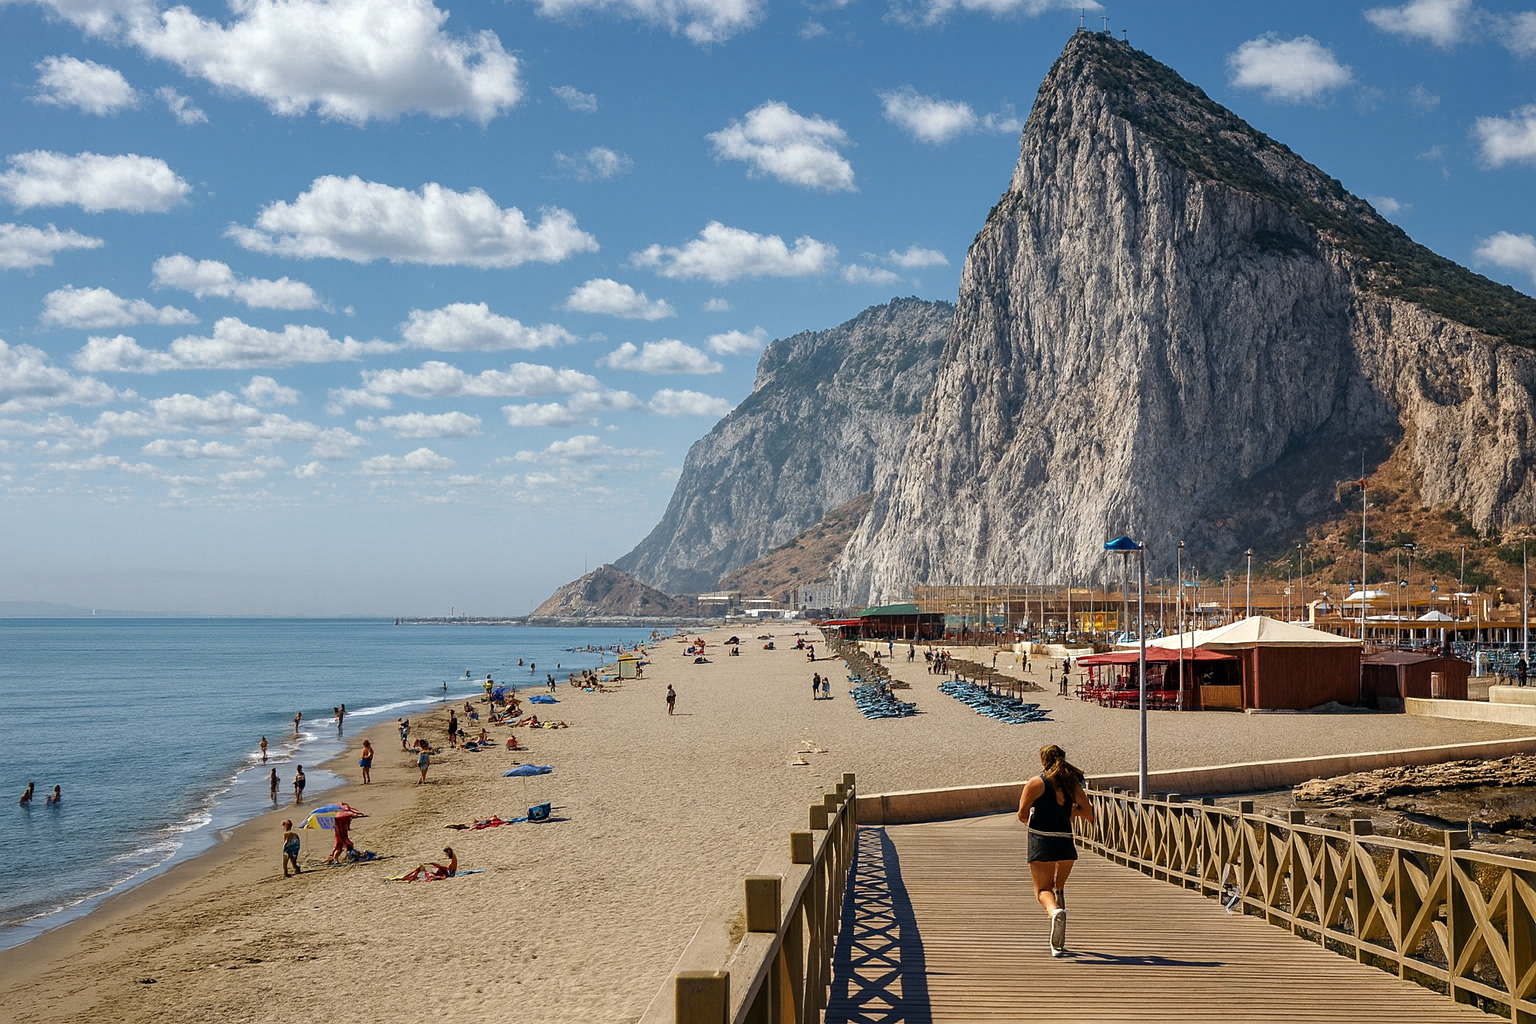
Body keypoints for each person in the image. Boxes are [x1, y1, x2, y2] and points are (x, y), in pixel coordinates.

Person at [1016, 744, 1095, 957]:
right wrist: (1072, 812)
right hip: (1065, 843)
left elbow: (1022, 814)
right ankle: (1058, 941)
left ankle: (1055, 912)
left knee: (1043, 891)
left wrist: (1033, 819)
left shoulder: (1036, 783)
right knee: (1058, 886)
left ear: (1044, 761)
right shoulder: (1072, 787)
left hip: (1042, 842)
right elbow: (1089, 814)